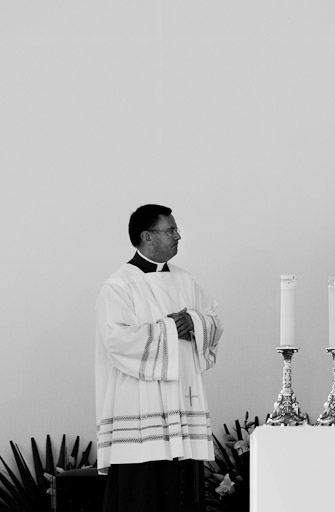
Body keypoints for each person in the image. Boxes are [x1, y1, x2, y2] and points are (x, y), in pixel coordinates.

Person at [95, 204, 223, 511]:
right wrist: (168, 329)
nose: (178, 236)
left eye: (176, 230)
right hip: (141, 408)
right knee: (142, 493)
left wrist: (196, 322)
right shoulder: (119, 285)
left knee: (181, 492)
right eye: (171, 230)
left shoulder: (184, 280)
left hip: (182, 400)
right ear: (146, 237)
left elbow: (213, 318)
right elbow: (116, 340)